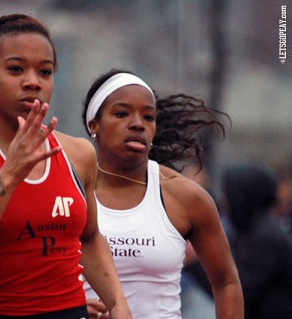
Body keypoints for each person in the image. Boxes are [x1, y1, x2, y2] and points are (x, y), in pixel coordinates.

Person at [0, 14, 131, 319]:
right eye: (15, 69)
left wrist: (117, 302)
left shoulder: (78, 153)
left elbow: (88, 236)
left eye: (45, 72)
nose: (33, 81)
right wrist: (9, 175)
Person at [81, 69, 243, 319]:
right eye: (122, 113)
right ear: (94, 125)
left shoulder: (185, 197)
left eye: (148, 117)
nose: (138, 124)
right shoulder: (68, 190)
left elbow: (227, 283)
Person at [221, 164, 292, 319]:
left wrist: (195, 262)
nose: (223, 200)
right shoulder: (251, 230)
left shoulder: (266, 238)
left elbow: (239, 291)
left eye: (228, 194)